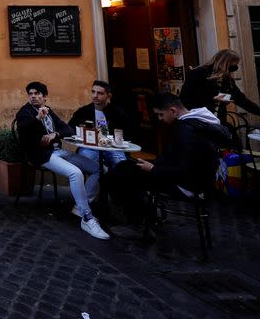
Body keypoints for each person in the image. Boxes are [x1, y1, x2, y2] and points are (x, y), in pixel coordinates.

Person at [111, 92, 231, 224]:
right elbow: (180, 159)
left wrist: (153, 169)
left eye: (160, 114)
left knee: (124, 174)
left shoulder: (188, 130)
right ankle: (148, 213)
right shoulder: (201, 122)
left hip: (188, 185)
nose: (159, 119)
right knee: (125, 166)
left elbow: (186, 169)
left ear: (173, 110)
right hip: (196, 181)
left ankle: (140, 221)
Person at [15, 81, 108, 240]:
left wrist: (55, 134)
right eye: (30, 94)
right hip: (41, 155)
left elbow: (68, 129)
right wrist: (37, 118)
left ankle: (80, 206)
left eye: (37, 94)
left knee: (100, 168)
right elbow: (23, 130)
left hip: (58, 152)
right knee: (75, 173)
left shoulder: (49, 111)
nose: (33, 97)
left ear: (45, 97)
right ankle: (87, 217)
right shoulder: (26, 112)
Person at [69, 80, 135, 169]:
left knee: (121, 165)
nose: (95, 96)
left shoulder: (118, 112)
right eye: (93, 92)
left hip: (113, 148)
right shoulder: (83, 111)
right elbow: (70, 128)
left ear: (109, 96)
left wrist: (118, 141)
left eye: (100, 93)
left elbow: (129, 131)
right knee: (86, 160)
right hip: (90, 148)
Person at [179, 49, 260, 121]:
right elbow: (185, 98)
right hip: (198, 121)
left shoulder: (227, 80)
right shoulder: (198, 74)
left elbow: (241, 100)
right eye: (233, 66)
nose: (233, 70)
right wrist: (213, 99)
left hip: (218, 121)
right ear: (224, 64)